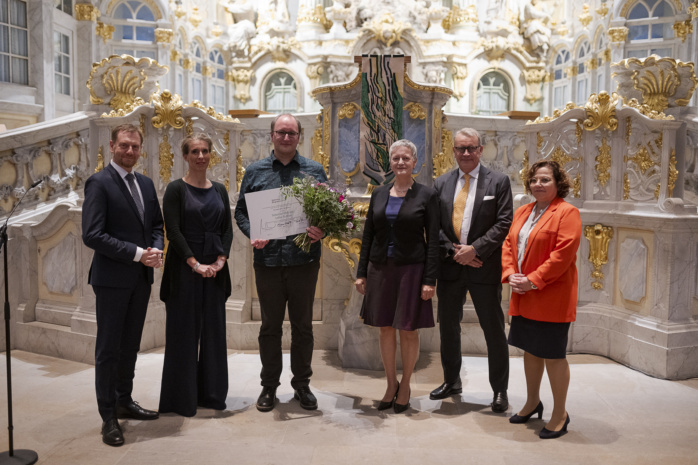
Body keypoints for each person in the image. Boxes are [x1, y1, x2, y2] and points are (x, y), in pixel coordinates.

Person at [235, 114, 327, 412]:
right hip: (268, 262)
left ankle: (302, 384)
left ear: (299, 136)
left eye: (292, 133)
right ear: (271, 135)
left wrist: (320, 228)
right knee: (270, 328)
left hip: (304, 261)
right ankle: (268, 386)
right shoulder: (255, 171)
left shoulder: (314, 171)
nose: (286, 138)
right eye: (281, 132)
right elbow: (241, 213)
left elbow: (327, 211)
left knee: (303, 327)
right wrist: (253, 233)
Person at [82, 124, 164, 446]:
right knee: (108, 350)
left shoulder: (144, 183)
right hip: (112, 281)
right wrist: (138, 253)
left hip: (140, 280)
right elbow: (93, 234)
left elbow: (155, 224)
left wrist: (156, 248)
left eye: (135, 147)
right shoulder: (99, 183)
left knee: (130, 345)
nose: (130, 151)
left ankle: (124, 400)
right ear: (112, 145)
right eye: (124, 146)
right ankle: (108, 417)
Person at [430, 127, 513, 413]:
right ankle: (451, 381)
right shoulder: (440, 183)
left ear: (480, 150)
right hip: (451, 268)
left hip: (484, 267)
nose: (465, 153)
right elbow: (433, 226)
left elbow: (504, 222)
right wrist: (455, 252)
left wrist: (475, 250)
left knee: (493, 330)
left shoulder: (498, 182)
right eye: (460, 148)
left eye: (470, 148)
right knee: (449, 329)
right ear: (453, 151)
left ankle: (500, 390)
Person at [354, 140, 439, 413]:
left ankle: (406, 385)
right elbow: (368, 235)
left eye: (406, 158)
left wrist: (430, 280)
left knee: (408, 328)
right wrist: (361, 273)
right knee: (385, 327)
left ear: (415, 162)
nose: (401, 163)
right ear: (389, 163)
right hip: (380, 269)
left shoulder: (426, 195)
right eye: (396, 158)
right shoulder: (379, 193)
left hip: (412, 269)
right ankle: (391, 384)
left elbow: (433, 241)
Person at [502, 160, 581, 439]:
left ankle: (560, 413)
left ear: (558, 183)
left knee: (553, 356)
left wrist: (532, 280)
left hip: (551, 295)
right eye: (534, 179)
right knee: (530, 350)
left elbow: (562, 255)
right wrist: (511, 274)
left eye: (545, 179)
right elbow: (509, 245)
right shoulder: (524, 211)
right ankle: (532, 401)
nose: (538, 184)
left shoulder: (567, 212)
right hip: (523, 294)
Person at [158, 133, 233, 417]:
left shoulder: (220, 190)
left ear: (210, 154)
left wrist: (220, 260)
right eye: (194, 152)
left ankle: (212, 395)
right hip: (184, 271)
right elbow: (173, 231)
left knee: (214, 335)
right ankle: (181, 399)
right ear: (185, 156)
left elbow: (226, 228)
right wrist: (194, 263)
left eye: (205, 151)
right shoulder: (176, 189)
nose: (200, 156)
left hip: (215, 270)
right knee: (183, 335)